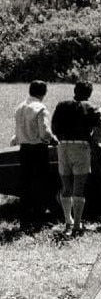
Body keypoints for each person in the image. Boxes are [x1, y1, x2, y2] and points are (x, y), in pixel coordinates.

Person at [51, 81, 101, 236]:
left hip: (63, 147)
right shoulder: (92, 108)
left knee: (66, 187)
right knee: (78, 188)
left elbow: (54, 128)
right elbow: (98, 134)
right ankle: (77, 225)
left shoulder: (61, 105)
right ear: (90, 93)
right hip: (80, 147)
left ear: (75, 90)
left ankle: (68, 221)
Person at [10, 80, 58, 232]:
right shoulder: (40, 108)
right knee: (41, 184)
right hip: (38, 150)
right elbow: (44, 132)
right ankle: (39, 221)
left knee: (26, 185)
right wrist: (53, 140)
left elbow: (17, 133)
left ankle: (24, 220)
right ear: (43, 92)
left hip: (24, 150)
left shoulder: (20, 107)